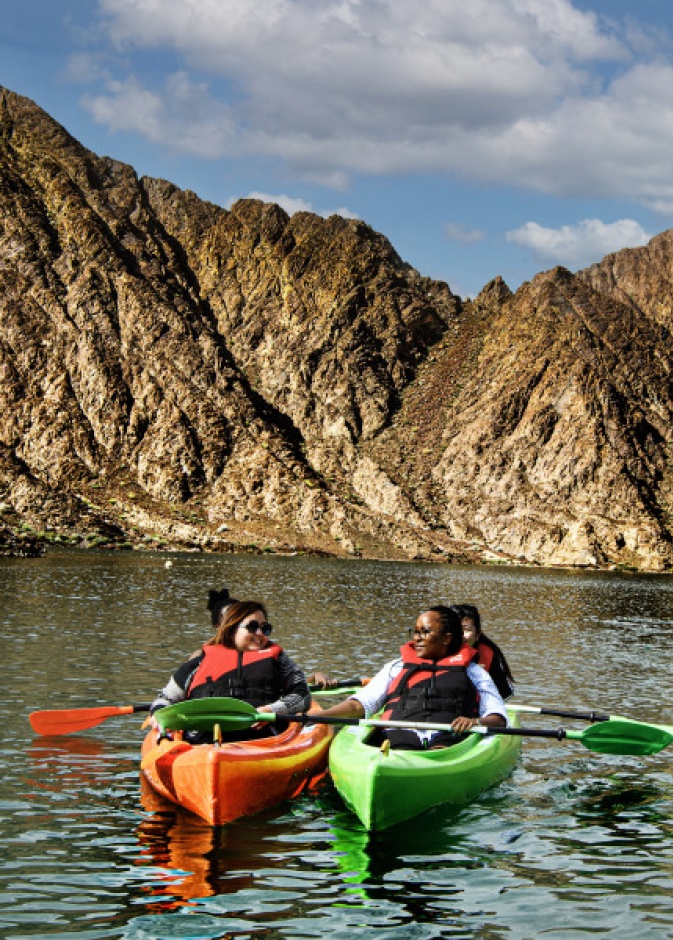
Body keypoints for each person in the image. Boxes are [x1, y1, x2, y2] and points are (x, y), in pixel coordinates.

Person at [319, 606, 507, 749]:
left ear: (446, 638)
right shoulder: (396, 667)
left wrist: (476, 722)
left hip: (448, 739)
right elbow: (360, 705)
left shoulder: (473, 672)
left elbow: (497, 717)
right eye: (415, 632)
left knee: (440, 747)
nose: (417, 638)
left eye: (425, 632)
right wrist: (315, 717)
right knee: (396, 744)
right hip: (398, 734)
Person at [150, 599, 311, 741]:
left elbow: (302, 696)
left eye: (265, 628)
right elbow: (164, 699)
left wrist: (271, 709)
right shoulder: (200, 661)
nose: (260, 633)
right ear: (232, 628)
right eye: (252, 627)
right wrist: (159, 715)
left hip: (262, 739)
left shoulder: (279, 660)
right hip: (202, 741)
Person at [450, 604, 515, 700]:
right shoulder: (431, 652)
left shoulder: (488, 654)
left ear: (478, 634)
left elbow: (504, 695)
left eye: (466, 629)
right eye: (454, 629)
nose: (460, 635)